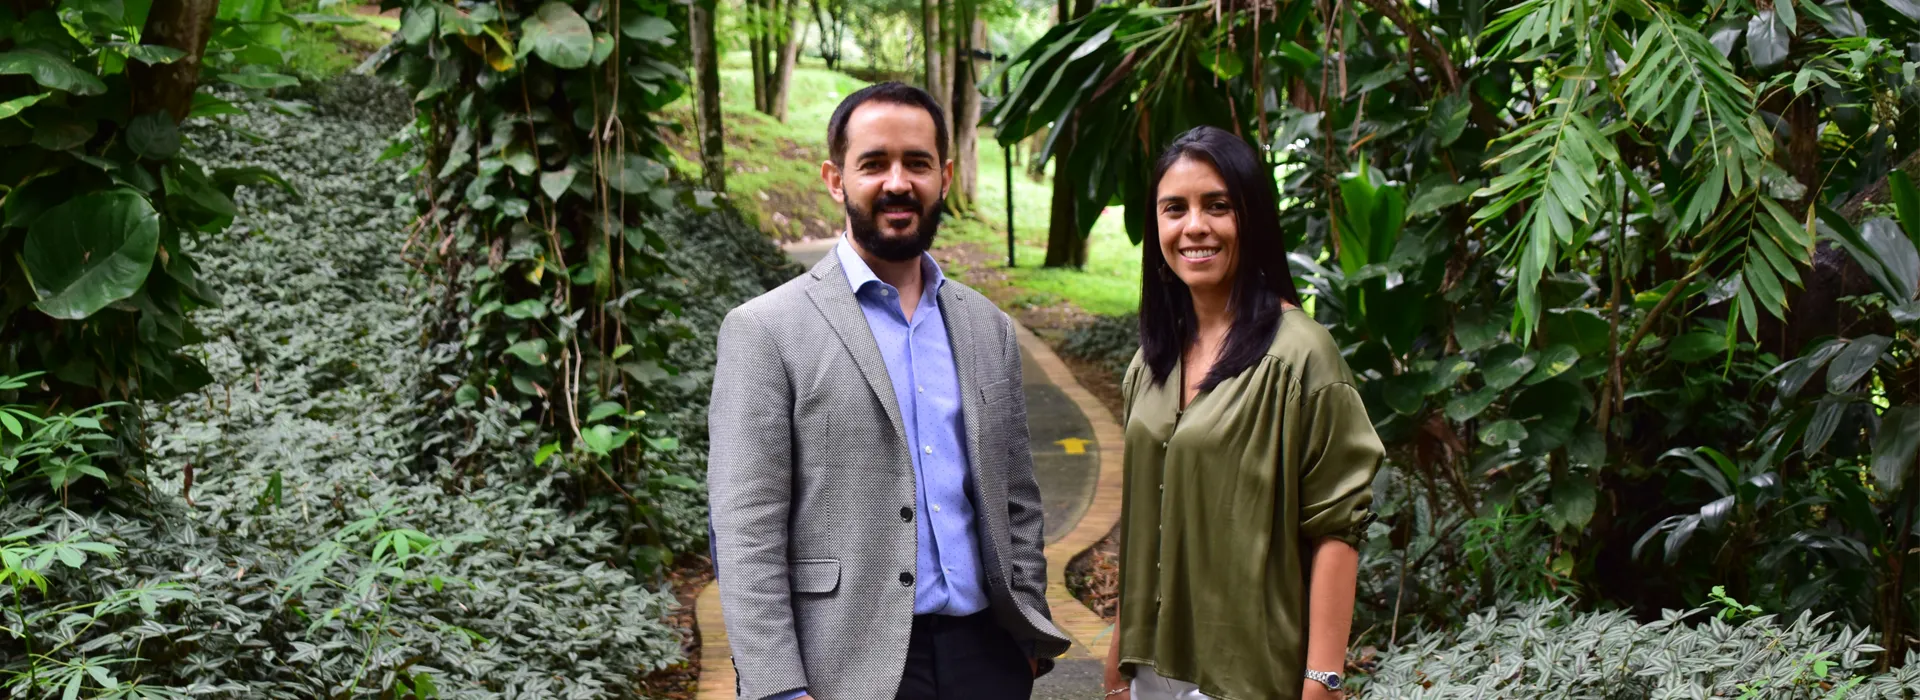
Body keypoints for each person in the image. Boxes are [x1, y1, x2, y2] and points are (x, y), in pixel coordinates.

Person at [707, 82, 1070, 700]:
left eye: (917, 163)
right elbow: (744, 529)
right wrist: (776, 687)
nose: (898, 183)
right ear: (835, 178)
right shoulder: (765, 330)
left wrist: (1026, 637)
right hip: (844, 664)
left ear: (945, 176)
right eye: (874, 163)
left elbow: (1016, 497)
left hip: (987, 656)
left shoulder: (988, 327)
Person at [1101, 126, 1382, 700]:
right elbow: (1145, 516)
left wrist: (1322, 681)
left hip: (1250, 672)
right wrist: (1117, 662)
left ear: (1248, 218)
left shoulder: (1301, 355)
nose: (1194, 226)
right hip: (1153, 669)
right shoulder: (1150, 362)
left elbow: (1337, 529)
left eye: (1218, 206)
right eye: (1174, 208)